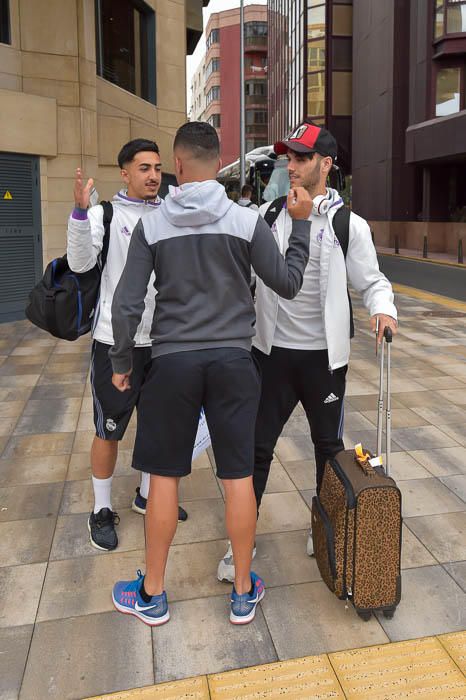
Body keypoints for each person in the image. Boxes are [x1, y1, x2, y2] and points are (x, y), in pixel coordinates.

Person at [109, 121, 312, 626]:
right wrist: (302, 226)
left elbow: (126, 304)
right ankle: (243, 591)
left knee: (163, 478)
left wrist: (119, 364)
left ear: (177, 164)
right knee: (238, 476)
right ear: (218, 163)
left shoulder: (151, 226)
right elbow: (286, 284)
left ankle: (152, 594)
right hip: (233, 363)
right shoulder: (246, 222)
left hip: (173, 363)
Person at [217, 121, 398, 582]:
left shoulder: (347, 225)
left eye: (301, 158)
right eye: (290, 157)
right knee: (256, 449)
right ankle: (242, 542)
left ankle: (323, 529)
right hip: (270, 354)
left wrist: (384, 309)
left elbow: (372, 280)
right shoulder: (271, 214)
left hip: (323, 360)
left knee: (328, 448)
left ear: (326, 164)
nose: (292, 166)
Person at [67, 138, 188, 552]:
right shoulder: (108, 213)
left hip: (163, 339)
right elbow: (81, 264)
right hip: (114, 342)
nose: (153, 175)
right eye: (143, 168)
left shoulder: (170, 213)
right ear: (124, 173)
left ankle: (147, 494)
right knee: (109, 429)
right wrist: (81, 214)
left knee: (158, 423)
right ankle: (101, 509)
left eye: (157, 167)